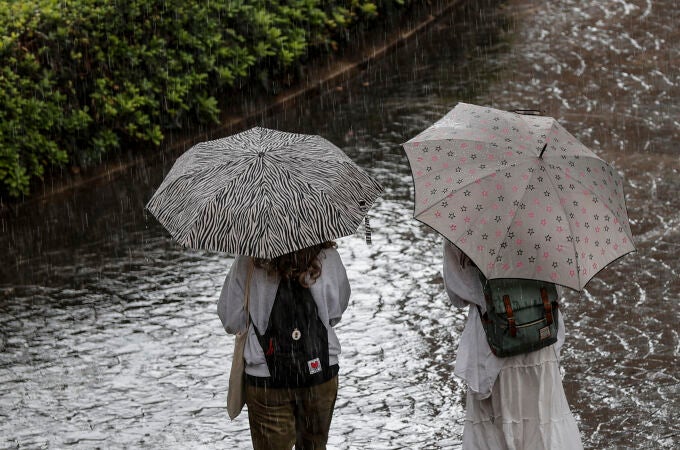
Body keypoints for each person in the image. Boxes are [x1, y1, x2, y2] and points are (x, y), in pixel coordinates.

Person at [442, 240, 583, 449]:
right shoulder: (546, 220)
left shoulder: (464, 226)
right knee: (544, 420)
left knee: (497, 426)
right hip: (539, 335)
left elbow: (457, 295)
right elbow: (558, 288)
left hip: (492, 343)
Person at [218, 241, 350, 450]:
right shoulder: (328, 256)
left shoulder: (248, 260)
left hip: (266, 379)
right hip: (320, 371)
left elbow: (231, 320)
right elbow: (335, 312)